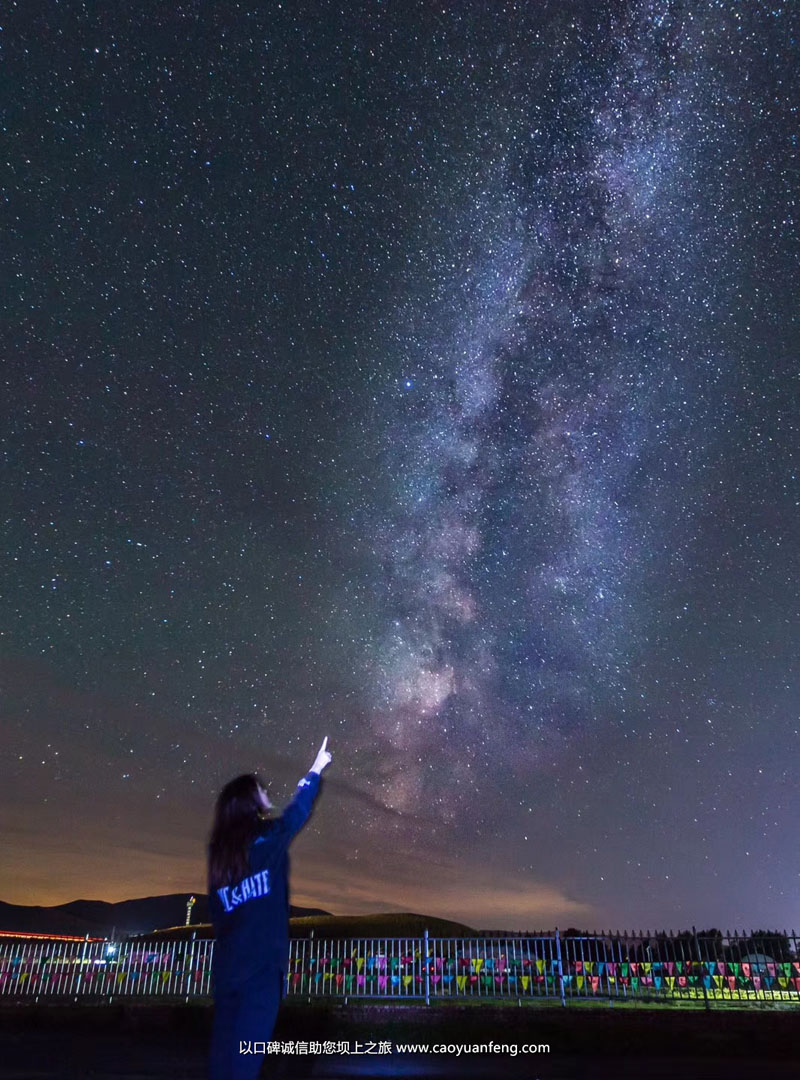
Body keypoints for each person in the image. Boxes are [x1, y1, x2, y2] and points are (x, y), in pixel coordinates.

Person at [207, 737, 332, 1079]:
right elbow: (296, 814)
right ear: (250, 801)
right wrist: (315, 771)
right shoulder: (269, 838)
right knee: (247, 1059)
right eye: (260, 790)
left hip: (228, 969)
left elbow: (217, 913)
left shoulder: (220, 852)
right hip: (261, 970)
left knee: (223, 1058)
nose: (266, 793)